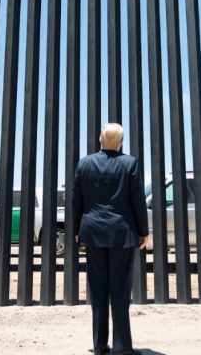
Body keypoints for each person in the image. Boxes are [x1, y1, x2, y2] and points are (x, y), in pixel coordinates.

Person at [73, 123, 149, 355]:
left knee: (98, 289)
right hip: (121, 233)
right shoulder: (129, 163)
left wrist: (76, 229)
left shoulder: (84, 163)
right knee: (120, 289)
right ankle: (122, 346)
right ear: (121, 141)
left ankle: (99, 345)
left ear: (100, 139)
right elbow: (138, 200)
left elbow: (77, 199)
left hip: (93, 232)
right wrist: (143, 231)